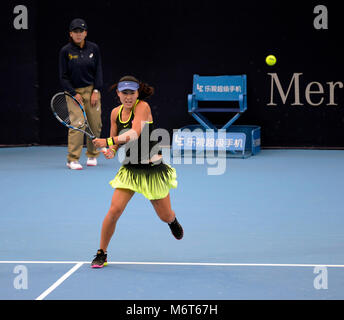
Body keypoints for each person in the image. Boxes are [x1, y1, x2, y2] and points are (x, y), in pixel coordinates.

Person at [90, 75, 183, 268]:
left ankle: (172, 220)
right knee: (114, 211)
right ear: (118, 94)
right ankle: (102, 253)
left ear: (137, 93)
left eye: (132, 93)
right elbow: (116, 137)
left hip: (152, 170)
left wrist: (107, 142)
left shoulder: (143, 107)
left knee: (164, 216)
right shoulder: (115, 113)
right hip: (131, 169)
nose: (128, 97)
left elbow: (133, 134)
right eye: (124, 93)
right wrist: (111, 150)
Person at [59, 18, 103, 170]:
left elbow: (98, 71)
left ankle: (92, 154)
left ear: (85, 33)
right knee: (78, 124)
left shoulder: (94, 49)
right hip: (73, 91)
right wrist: (73, 93)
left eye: (81, 31)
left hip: (91, 91)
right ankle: (72, 159)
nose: (78, 34)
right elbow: (63, 76)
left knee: (95, 124)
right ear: (71, 34)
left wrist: (96, 90)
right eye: (75, 32)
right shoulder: (65, 51)